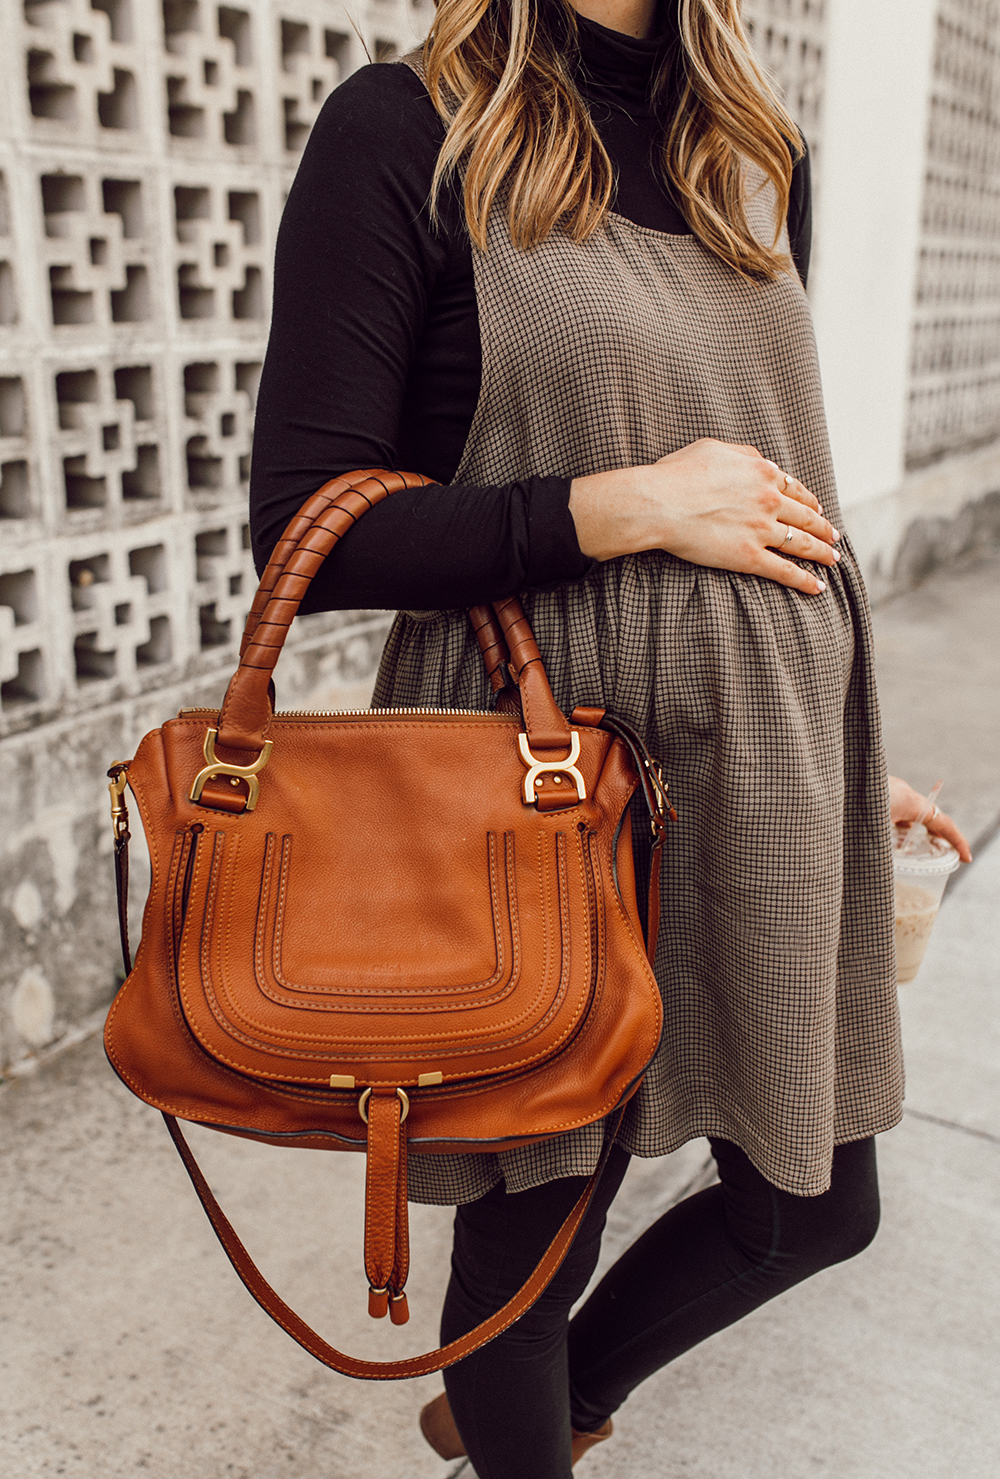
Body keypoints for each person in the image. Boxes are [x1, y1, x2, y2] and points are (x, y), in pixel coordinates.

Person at [249, 1, 971, 1473]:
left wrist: (831, 755)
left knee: (817, 1202)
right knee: (538, 1224)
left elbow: (761, 474)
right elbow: (304, 532)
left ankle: (547, 1411)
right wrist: (621, 503)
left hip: (760, 762)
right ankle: (522, 1421)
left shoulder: (755, 155)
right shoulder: (405, 130)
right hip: (538, 773)